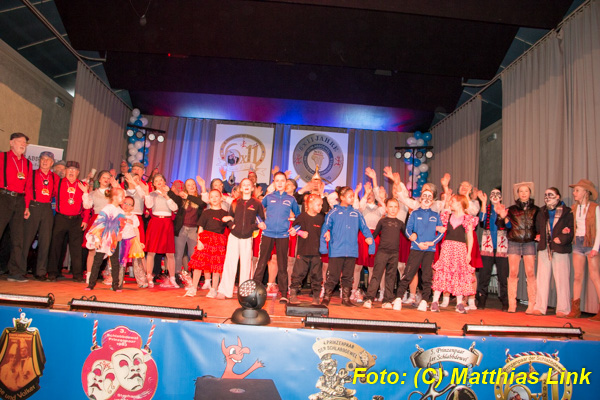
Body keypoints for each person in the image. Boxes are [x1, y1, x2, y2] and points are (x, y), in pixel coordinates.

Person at [390, 188, 444, 311]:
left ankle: (424, 301)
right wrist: (415, 240)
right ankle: (398, 298)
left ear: (432, 201)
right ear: (420, 199)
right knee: (408, 274)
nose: (427, 199)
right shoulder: (414, 213)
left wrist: (432, 242)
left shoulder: (436, 215)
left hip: (429, 250)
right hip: (416, 248)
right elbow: (408, 230)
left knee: (427, 276)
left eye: (429, 197)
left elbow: (441, 231)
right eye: (424, 196)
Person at [320, 186, 374, 307]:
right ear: (342, 197)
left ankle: (346, 299)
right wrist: (323, 247)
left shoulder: (356, 213)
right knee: (333, 276)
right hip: (336, 250)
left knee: (348, 277)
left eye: (353, 196)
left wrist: (370, 241)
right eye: (350, 196)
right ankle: (326, 298)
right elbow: (325, 229)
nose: (352, 198)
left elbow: (364, 228)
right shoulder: (333, 213)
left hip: (351, 250)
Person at [253, 172, 300, 303]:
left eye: (282, 180)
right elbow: (257, 211)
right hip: (267, 234)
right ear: (274, 182)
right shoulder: (268, 197)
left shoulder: (291, 199)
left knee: (282, 265)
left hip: (283, 235)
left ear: (286, 182)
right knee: (262, 262)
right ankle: (254, 291)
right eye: (277, 180)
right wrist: (260, 222)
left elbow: (299, 216)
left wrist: (295, 228)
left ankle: (284, 294)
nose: (279, 183)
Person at [217, 178, 266, 299]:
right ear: (240, 188)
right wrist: (232, 226)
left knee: (246, 265)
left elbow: (261, 221)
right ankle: (224, 291)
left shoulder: (257, 203)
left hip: (247, 237)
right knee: (230, 262)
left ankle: (244, 292)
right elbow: (229, 217)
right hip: (234, 236)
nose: (246, 186)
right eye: (244, 184)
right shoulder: (235, 202)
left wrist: (252, 227)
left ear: (252, 188)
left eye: (249, 184)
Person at [496, 182, 539, 313]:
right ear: (517, 194)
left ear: (530, 193)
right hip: (514, 242)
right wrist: (502, 217)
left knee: (530, 272)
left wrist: (539, 234)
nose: (524, 193)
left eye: (526, 191)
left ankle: (532, 304)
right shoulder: (511, 209)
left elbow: (539, 226)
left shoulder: (536, 209)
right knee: (513, 272)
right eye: (521, 191)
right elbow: (503, 226)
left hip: (529, 243)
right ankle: (512, 304)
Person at [430, 195, 478, 314]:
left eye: (453, 201)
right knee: (443, 272)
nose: (450, 203)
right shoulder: (447, 216)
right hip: (447, 247)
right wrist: (438, 228)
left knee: (459, 273)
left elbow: (470, 237)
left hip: (460, 248)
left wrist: (469, 253)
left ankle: (459, 303)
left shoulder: (467, 218)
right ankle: (435, 301)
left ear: (460, 203)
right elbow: (438, 226)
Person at [532, 187, 574, 317]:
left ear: (558, 197)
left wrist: (562, 238)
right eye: (545, 195)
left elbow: (571, 229)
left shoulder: (567, 212)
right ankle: (540, 307)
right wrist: (538, 235)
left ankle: (563, 308)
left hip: (560, 248)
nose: (547, 197)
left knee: (562, 279)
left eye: (550, 195)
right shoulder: (541, 211)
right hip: (545, 247)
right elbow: (537, 227)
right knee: (542, 278)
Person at [47, 161, 91, 282]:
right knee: (55, 246)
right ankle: (52, 273)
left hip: (76, 220)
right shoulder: (58, 183)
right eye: (69, 169)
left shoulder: (83, 185)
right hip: (61, 218)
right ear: (65, 171)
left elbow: (87, 205)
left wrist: (85, 220)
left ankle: (77, 274)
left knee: (76, 248)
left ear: (78, 172)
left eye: (74, 170)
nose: (71, 172)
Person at [0, 132, 33, 282]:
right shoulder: (2, 157)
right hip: (3, 197)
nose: (23, 144)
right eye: (20, 141)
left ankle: (14, 272)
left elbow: (29, 186)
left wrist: (27, 206)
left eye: (25, 143)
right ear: (11, 143)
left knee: (18, 238)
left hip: (20, 201)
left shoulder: (27, 163)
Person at [566, 179, 600, 320]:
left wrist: (596, 248)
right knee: (577, 276)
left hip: (590, 242)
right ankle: (575, 309)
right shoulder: (574, 208)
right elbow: (573, 226)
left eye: (577, 190)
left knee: (595, 276)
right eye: (574, 190)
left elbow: (599, 229)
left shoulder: (595, 208)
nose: (574, 193)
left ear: (586, 192)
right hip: (578, 243)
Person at [363, 198, 405, 309]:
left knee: (391, 277)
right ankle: (369, 299)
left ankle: (387, 300)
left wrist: (416, 235)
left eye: (395, 207)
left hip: (394, 253)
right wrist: (369, 239)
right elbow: (375, 234)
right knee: (376, 275)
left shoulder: (400, 223)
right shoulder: (382, 221)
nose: (393, 209)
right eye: (390, 207)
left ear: (398, 209)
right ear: (386, 208)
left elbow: (408, 235)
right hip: (382, 252)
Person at [22, 151, 58, 280]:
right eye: (43, 159)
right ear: (39, 161)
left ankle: (41, 271)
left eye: (48, 160)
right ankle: (20, 269)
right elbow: (27, 191)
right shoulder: (32, 174)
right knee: (27, 239)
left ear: (52, 163)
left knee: (45, 241)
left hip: (47, 208)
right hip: (33, 206)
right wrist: (26, 207)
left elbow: (56, 193)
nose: (45, 161)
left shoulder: (54, 177)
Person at [186, 189, 228, 297]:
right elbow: (201, 227)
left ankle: (214, 289)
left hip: (218, 242)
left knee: (216, 267)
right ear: (209, 199)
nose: (214, 199)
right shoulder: (206, 212)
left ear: (221, 198)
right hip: (205, 240)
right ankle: (193, 287)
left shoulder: (225, 213)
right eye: (212, 197)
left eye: (216, 196)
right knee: (198, 265)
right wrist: (199, 241)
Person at [85, 187, 127, 291]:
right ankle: (91, 283)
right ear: (114, 197)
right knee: (97, 261)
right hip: (103, 238)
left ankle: (115, 284)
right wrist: (97, 239)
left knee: (115, 262)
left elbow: (121, 224)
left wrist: (120, 233)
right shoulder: (106, 209)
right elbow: (99, 223)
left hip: (113, 240)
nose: (124, 198)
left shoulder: (120, 211)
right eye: (122, 196)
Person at [476, 188, 509, 311]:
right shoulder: (487, 209)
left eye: (497, 194)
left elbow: (509, 226)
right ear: (489, 197)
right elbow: (481, 220)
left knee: (503, 277)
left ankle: (505, 302)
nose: (495, 196)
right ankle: (481, 300)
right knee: (484, 275)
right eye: (492, 194)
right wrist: (483, 203)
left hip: (502, 248)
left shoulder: (506, 210)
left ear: (501, 197)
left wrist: (504, 216)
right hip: (487, 248)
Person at [289, 194, 325, 305]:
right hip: (303, 252)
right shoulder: (302, 217)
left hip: (316, 252)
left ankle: (316, 297)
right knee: (298, 273)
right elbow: (293, 230)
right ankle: (293, 295)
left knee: (317, 275)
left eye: (321, 205)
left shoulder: (321, 218)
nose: (320, 207)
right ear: (309, 205)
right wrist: (300, 232)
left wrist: (327, 233)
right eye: (318, 205)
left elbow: (326, 229)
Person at [144, 174, 179, 288]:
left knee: (170, 252)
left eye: (161, 180)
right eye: (156, 180)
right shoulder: (152, 194)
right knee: (151, 251)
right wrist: (147, 193)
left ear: (165, 182)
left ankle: (172, 278)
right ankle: (149, 277)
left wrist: (166, 196)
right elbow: (149, 205)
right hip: (155, 222)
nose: (159, 182)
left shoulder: (170, 194)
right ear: (153, 184)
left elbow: (175, 208)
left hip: (167, 223)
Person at [82, 170, 116, 283]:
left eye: (108, 178)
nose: (106, 180)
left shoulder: (113, 192)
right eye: (104, 177)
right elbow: (87, 205)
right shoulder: (93, 193)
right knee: (92, 250)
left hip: (109, 221)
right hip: (97, 221)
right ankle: (89, 274)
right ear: (99, 179)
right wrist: (85, 192)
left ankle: (111, 275)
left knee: (110, 250)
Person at [169, 178, 206, 278]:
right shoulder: (182, 199)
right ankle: (177, 275)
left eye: (193, 184)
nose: (191, 186)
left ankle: (194, 277)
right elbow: (173, 197)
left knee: (193, 254)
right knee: (178, 254)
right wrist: (168, 190)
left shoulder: (199, 198)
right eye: (189, 185)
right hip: (182, 229)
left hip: (194, 230)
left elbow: (202, 204)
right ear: (185, 187)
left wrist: (188, 196)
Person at [119, 196, 147, 288]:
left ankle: (142, 281)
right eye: (125, 203)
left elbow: (136, 230)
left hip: (132, 240)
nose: (126, 206)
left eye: (129, 204)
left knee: (137, 262)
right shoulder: (118, 215)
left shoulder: (134, 217)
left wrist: (138, 242)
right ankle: (118, 282)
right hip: (121, 241)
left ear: (132, 207)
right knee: (121, 262)